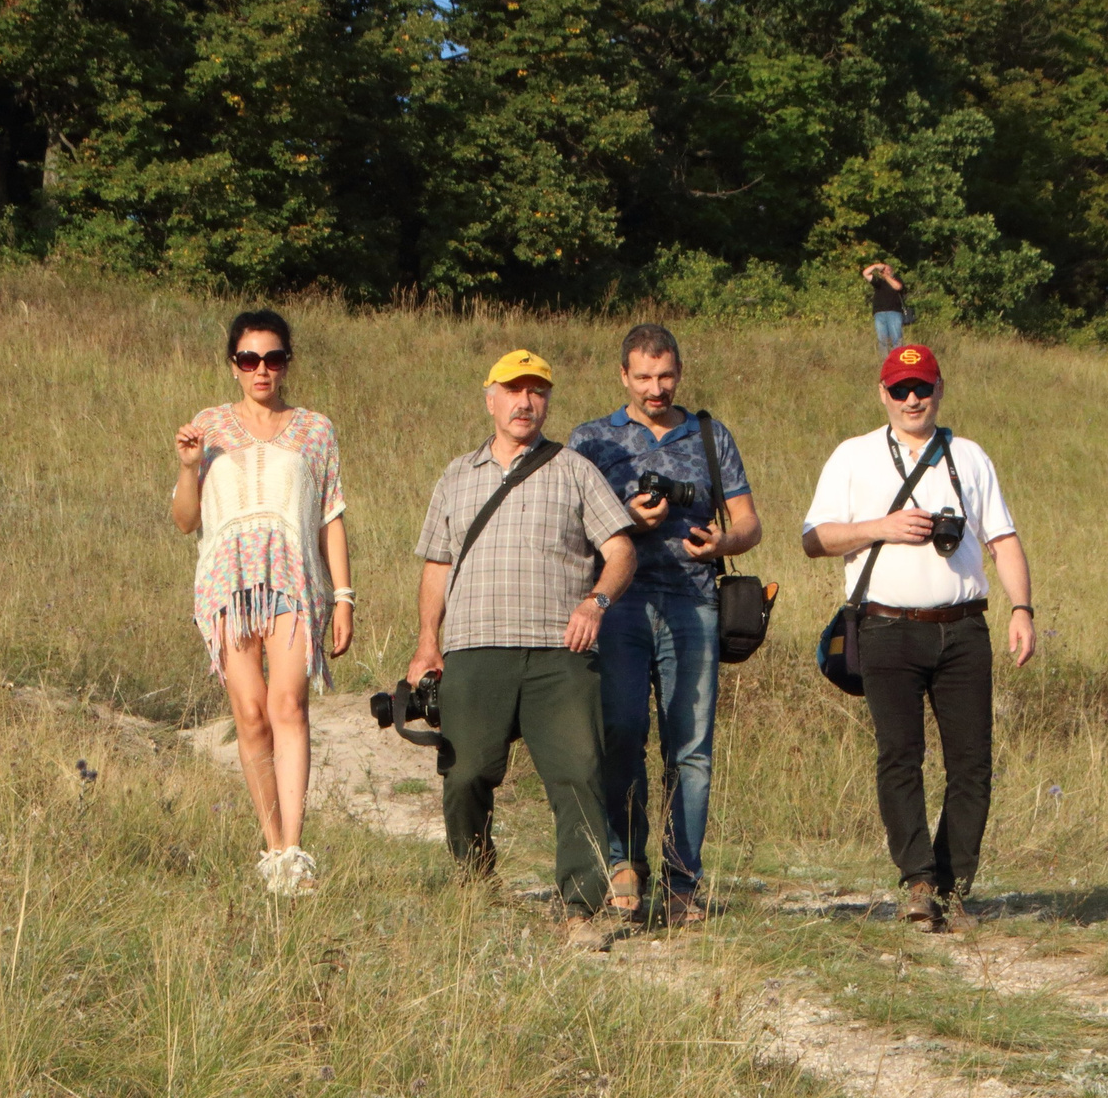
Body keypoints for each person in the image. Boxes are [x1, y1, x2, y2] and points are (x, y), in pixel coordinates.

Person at [800, 344, 1034, 932]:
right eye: (900, 389)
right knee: (900, 757)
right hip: (885, 627)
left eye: (922, 388)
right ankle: (918, 882)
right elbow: (813, 537)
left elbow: (1002, 540)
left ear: (939, 391)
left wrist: (1022, 610)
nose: (912, 400)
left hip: (962, 628)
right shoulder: (854, 457)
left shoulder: (970, 457)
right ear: (882, 394)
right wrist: (883, 528)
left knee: (972, 764)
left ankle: (955, 891)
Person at [410, 349, 639, 949]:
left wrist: (596, 604)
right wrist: (426, 644)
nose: (525, 401)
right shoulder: (457, 475)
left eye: (537, 390)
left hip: (557, 655)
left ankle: (580, 911)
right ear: (489, 397)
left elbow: (621, 551)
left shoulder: (574, 469)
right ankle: (474, 885)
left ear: (548, 401)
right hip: (474, 650)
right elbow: (436, 565)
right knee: (465, 774)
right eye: (513, 389)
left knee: (577, 777)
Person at [568, 323, 761, 925]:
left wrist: (721, 541)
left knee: (692, 750)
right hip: (619, 605)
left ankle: (683, 885)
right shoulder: (591, 439)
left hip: (693, 602)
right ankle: (625, 865)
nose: (656, 388)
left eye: (666, 376)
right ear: (623, 376)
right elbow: (571, 528)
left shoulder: (710, 433)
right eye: (644, 377)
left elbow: (750, 524)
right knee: (621, 735)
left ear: (678, 373)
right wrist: (626, 521)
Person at [171, 309, 354, 897]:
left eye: (273, 358)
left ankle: (295, 852)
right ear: (233, 365)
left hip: (295, 582)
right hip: (229, 583)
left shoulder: (315, 429)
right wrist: (188, 468)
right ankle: (271, 846)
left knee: (288, 706)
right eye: (250, 359)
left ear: (286, 363)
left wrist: (344, 596)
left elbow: (331, 516)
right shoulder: (209, 426)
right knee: (250, 714)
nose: (262, 370)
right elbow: (183, 520)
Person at [863, 262, 907, 351]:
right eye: (883, 270)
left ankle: (898, 361)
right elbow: (865, 273)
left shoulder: (897, 279)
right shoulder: (878, 282)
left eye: (887, 269)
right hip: (879, 313)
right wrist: (875, 266)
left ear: (891, 270)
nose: (885, 271)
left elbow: (897, 287)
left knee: (896, 339)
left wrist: (886, 276)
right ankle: (884, 362)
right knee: (882, 341)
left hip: (894, 312)